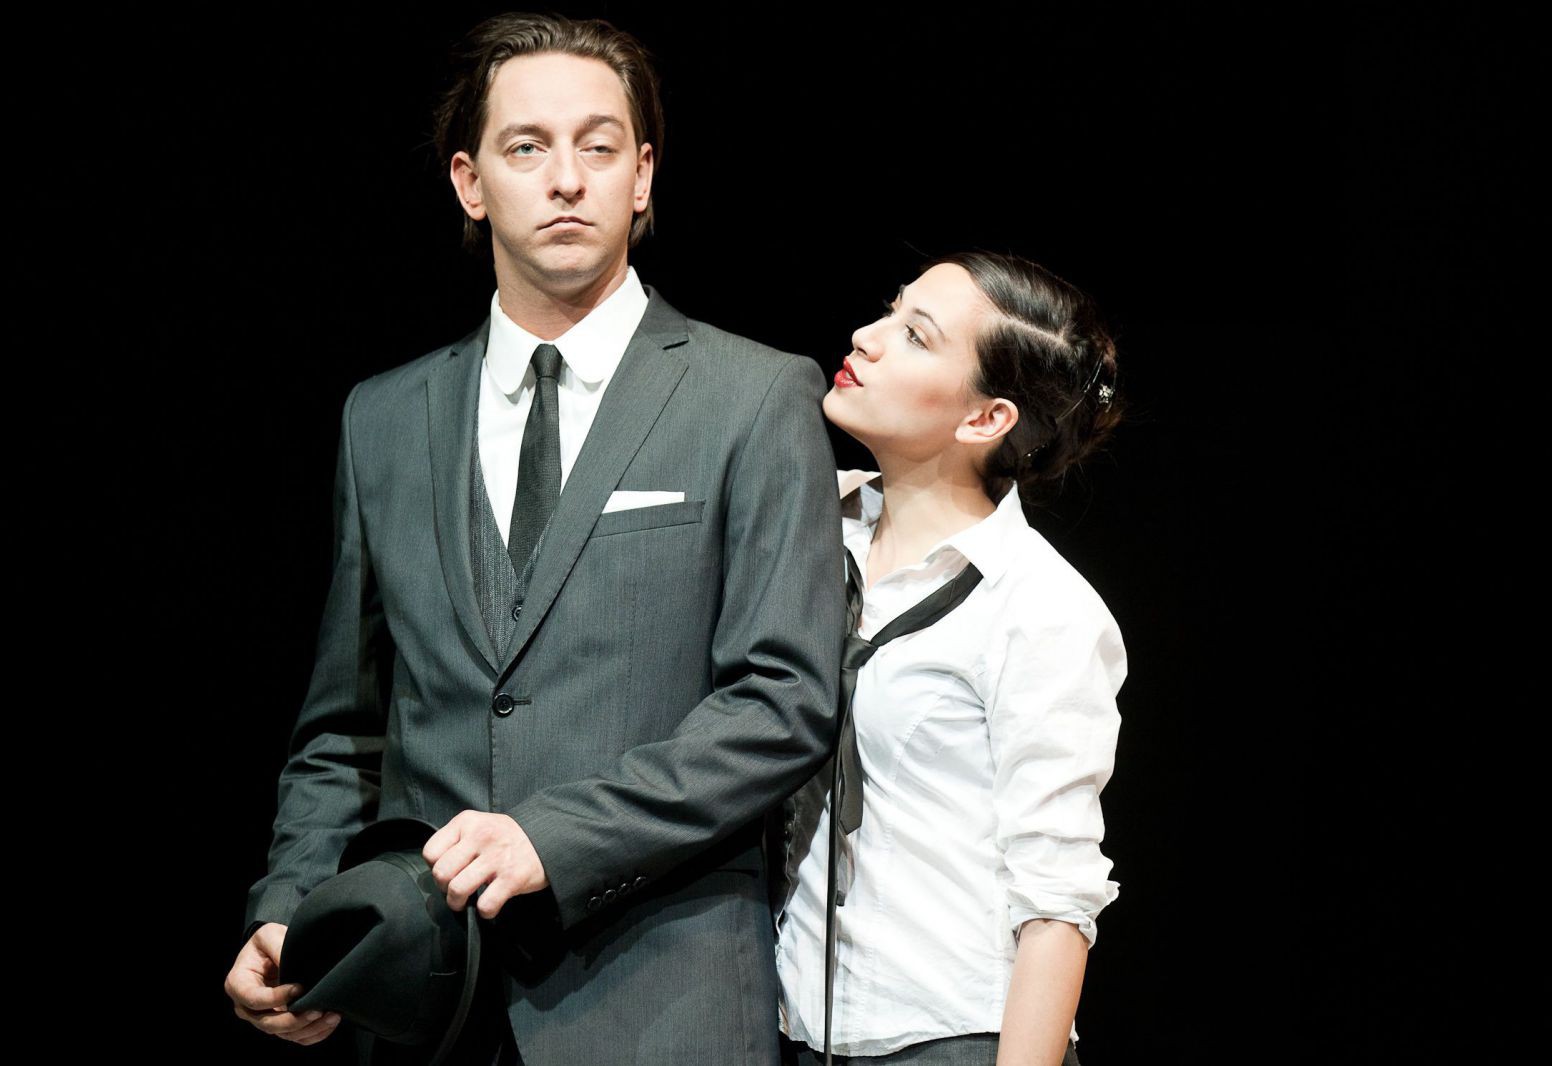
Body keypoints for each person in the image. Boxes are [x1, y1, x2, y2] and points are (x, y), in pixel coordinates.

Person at [221, 12, 846, 1065]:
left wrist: (550, 839)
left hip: (660, 1000)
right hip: (426, 1012)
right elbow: (347, 728)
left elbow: (781, 702)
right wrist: (289, 907)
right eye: (527, 147)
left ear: (642, 176)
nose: (566, 179)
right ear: (470, 184)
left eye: (599, 147)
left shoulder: (753, 395)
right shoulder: (385, 416)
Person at [770, 250, 1128, 1066]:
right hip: (793, 1031)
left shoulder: (1040, 606)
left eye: (916, 335)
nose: (867, 337)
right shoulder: (813, 522)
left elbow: (1057, 899)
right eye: (890, 309)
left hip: (949, 1038)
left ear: (985, 419)